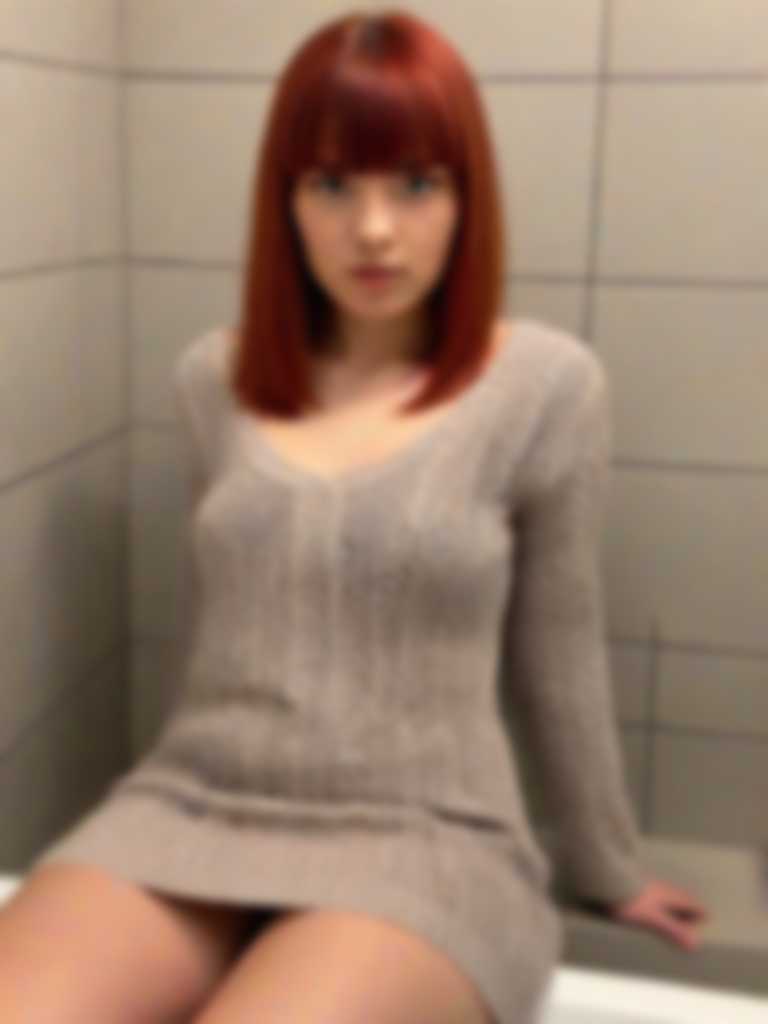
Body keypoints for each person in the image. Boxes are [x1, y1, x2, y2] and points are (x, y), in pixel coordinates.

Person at [0, 9, 709, 1024]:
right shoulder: (214, 377)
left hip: (428, 833)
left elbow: (558, 651)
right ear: (284, 199)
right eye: (332, 185)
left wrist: (608, 865)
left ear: (467, 197)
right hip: (195, 802)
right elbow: (216, 629)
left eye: (416, 184)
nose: (373, 229)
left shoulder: (545, 386)